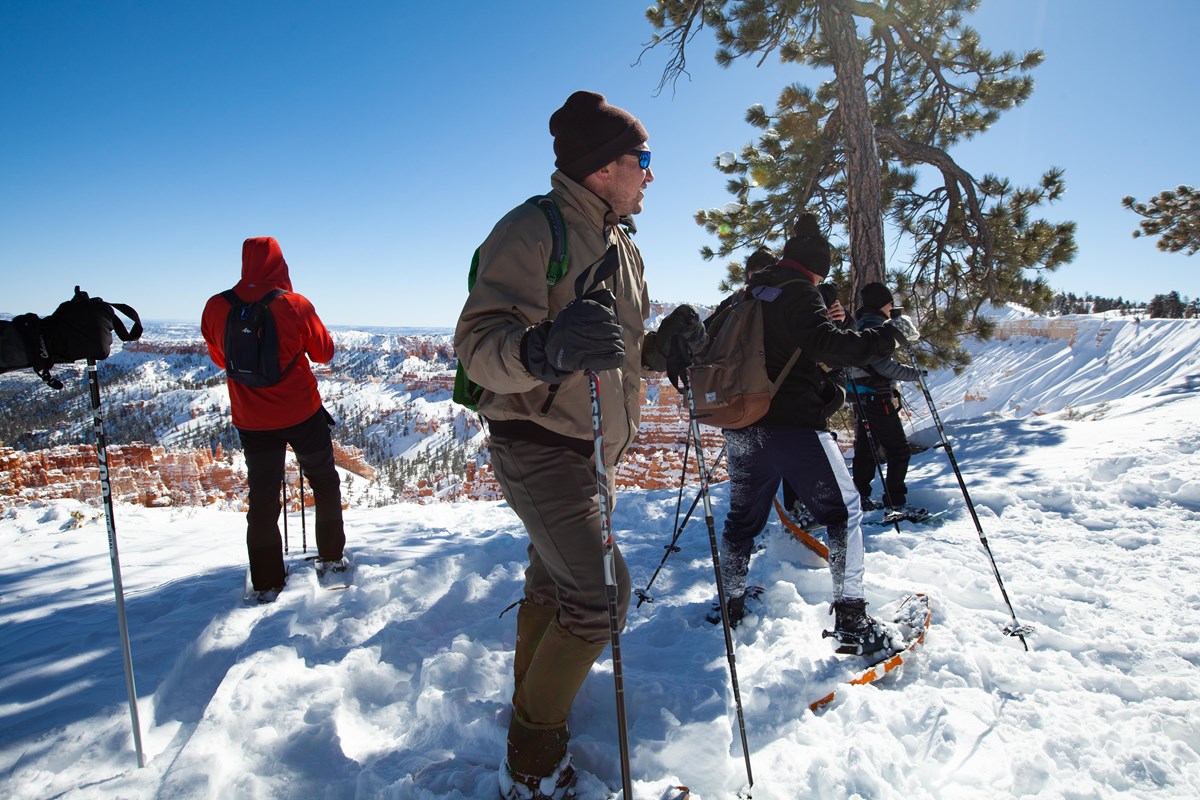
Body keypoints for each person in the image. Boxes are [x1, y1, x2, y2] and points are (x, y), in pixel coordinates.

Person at [454, 90, 703, 800]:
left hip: (589, 448)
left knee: (554, 584)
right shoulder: (534, 230)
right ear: (603, 167)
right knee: (600, 599)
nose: (650, 174)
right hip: (539, 442)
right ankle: (531, 766)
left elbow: (610, 351)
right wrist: (542, 348)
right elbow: (479, 345)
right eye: (642, 160)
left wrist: (663, 347)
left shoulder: (620, 242)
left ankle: (533, 718)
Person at [714, 214, 920, 657]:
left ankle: (729, 603)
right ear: (816, 267)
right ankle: (851, 621)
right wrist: (886, 337)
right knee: (843, 514)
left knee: (742, 520)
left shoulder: (751, 291)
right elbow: (827, 345)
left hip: (744, 423)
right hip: (795, 424)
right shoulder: (800, 290)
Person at [201, 236, 345, 602]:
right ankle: (331, 558)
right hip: (302, 413)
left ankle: (266, 580)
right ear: (280, 264)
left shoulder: (216, 307)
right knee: (324, 482)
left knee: (263, 497)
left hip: (251, 418)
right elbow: (324, 352)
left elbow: (222, 359)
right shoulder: (294, 304)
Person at [847, 282, 927, 518]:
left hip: (863, 398)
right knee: (899, 450)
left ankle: (860, 498)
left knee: (866, 450)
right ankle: (896, 502)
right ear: (883, 304)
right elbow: (883, 367)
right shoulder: (877, 329)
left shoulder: (862, 325)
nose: (892, 307)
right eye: (890, 303)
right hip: (877, 397)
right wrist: (915, 374)